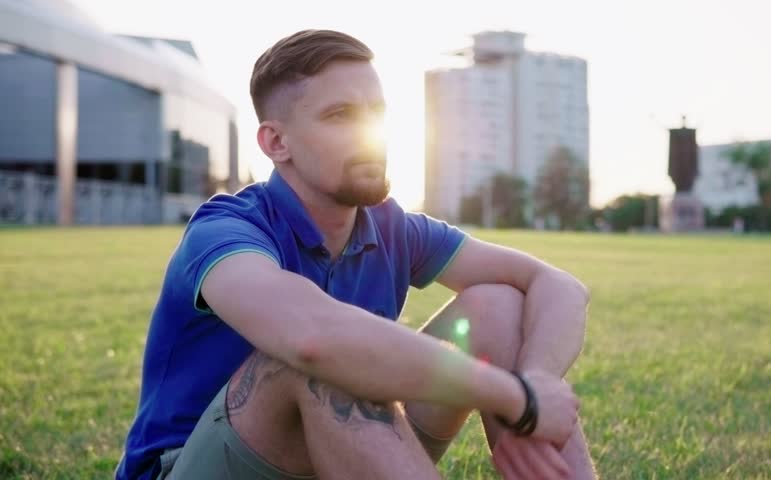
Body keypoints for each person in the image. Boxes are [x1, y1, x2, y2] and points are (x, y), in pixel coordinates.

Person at [116, 29, 596, 480]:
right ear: (276, 142)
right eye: (339, 115)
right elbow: (312, 339)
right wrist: (515, 398)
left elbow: (558, 286)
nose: (369, 133)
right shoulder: (228, 228)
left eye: (377, 112)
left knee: (497, 304)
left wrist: (537, 386)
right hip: (189, 466)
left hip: (340, 451)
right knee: (321, 362)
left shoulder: (393, 227)